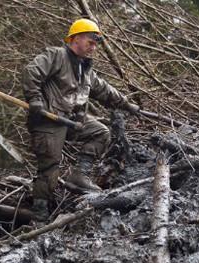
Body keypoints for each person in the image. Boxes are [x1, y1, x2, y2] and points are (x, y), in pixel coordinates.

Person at [22, 19, 139, 220]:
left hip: (70, 121)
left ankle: (79, 175)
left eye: (95, 44)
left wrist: (126, 104)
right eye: (90, 42)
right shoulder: (56, 56)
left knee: (100, 132)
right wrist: (35, 99)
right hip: (48, 121)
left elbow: (103, 89)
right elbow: (31, 72)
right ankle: (39, 215)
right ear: (75, 38)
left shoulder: (85, 69)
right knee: (50, 168)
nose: (93, 47)